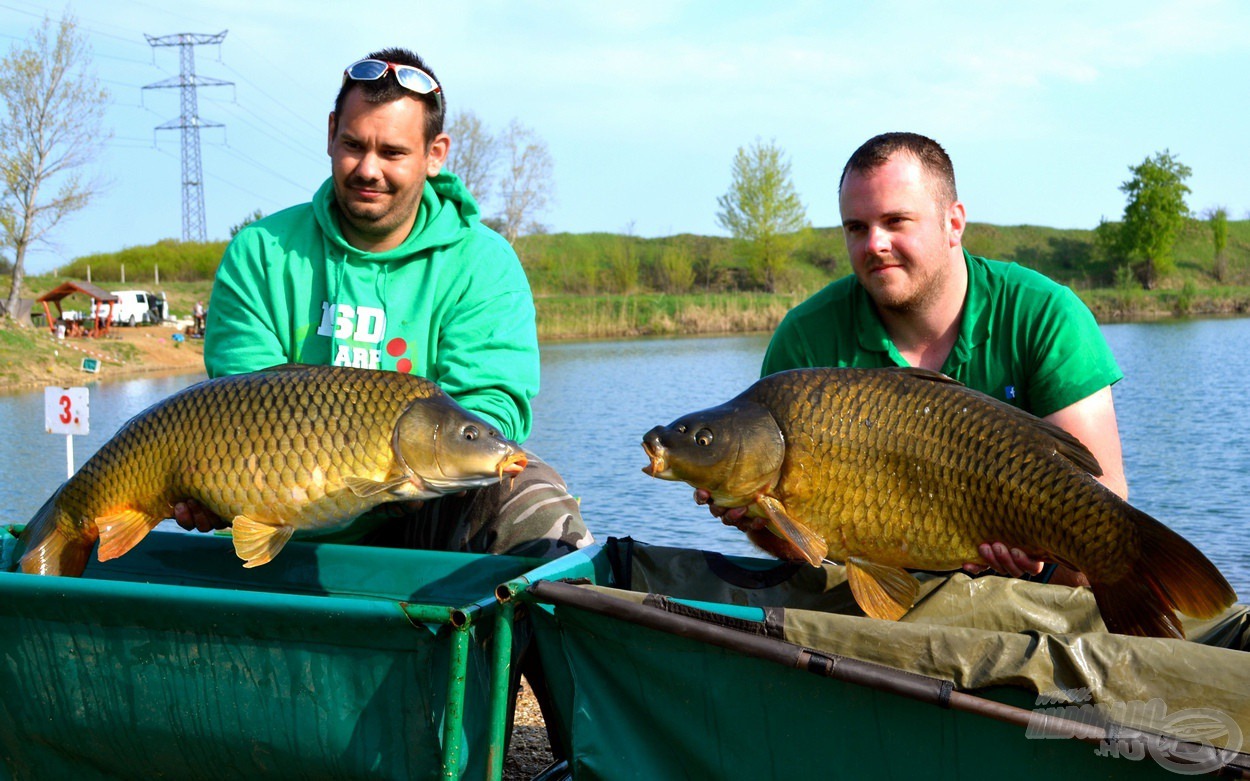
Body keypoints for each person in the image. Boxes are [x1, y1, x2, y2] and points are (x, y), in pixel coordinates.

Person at [174, 47, 592, 560]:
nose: (368, 168)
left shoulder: (484, 263)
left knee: (531, 495)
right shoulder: (261, 252)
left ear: (434, 154)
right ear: (330, 134)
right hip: (284, 519)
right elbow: (242, 408)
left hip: (427, 514)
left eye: (392, 153)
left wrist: (405, 475)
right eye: (353, 145)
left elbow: (491, 407)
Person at [702, 132, 1125, 586]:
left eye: (896, 221)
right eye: (856, 228)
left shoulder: (1045, 315)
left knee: (1098, 558)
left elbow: (1105, 502)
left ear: (953, 223)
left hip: (1032, 588)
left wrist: (1048, 559)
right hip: (870, 594)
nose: (873, 245)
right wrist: (756, 519)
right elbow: (800, 549)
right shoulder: (805, 340)